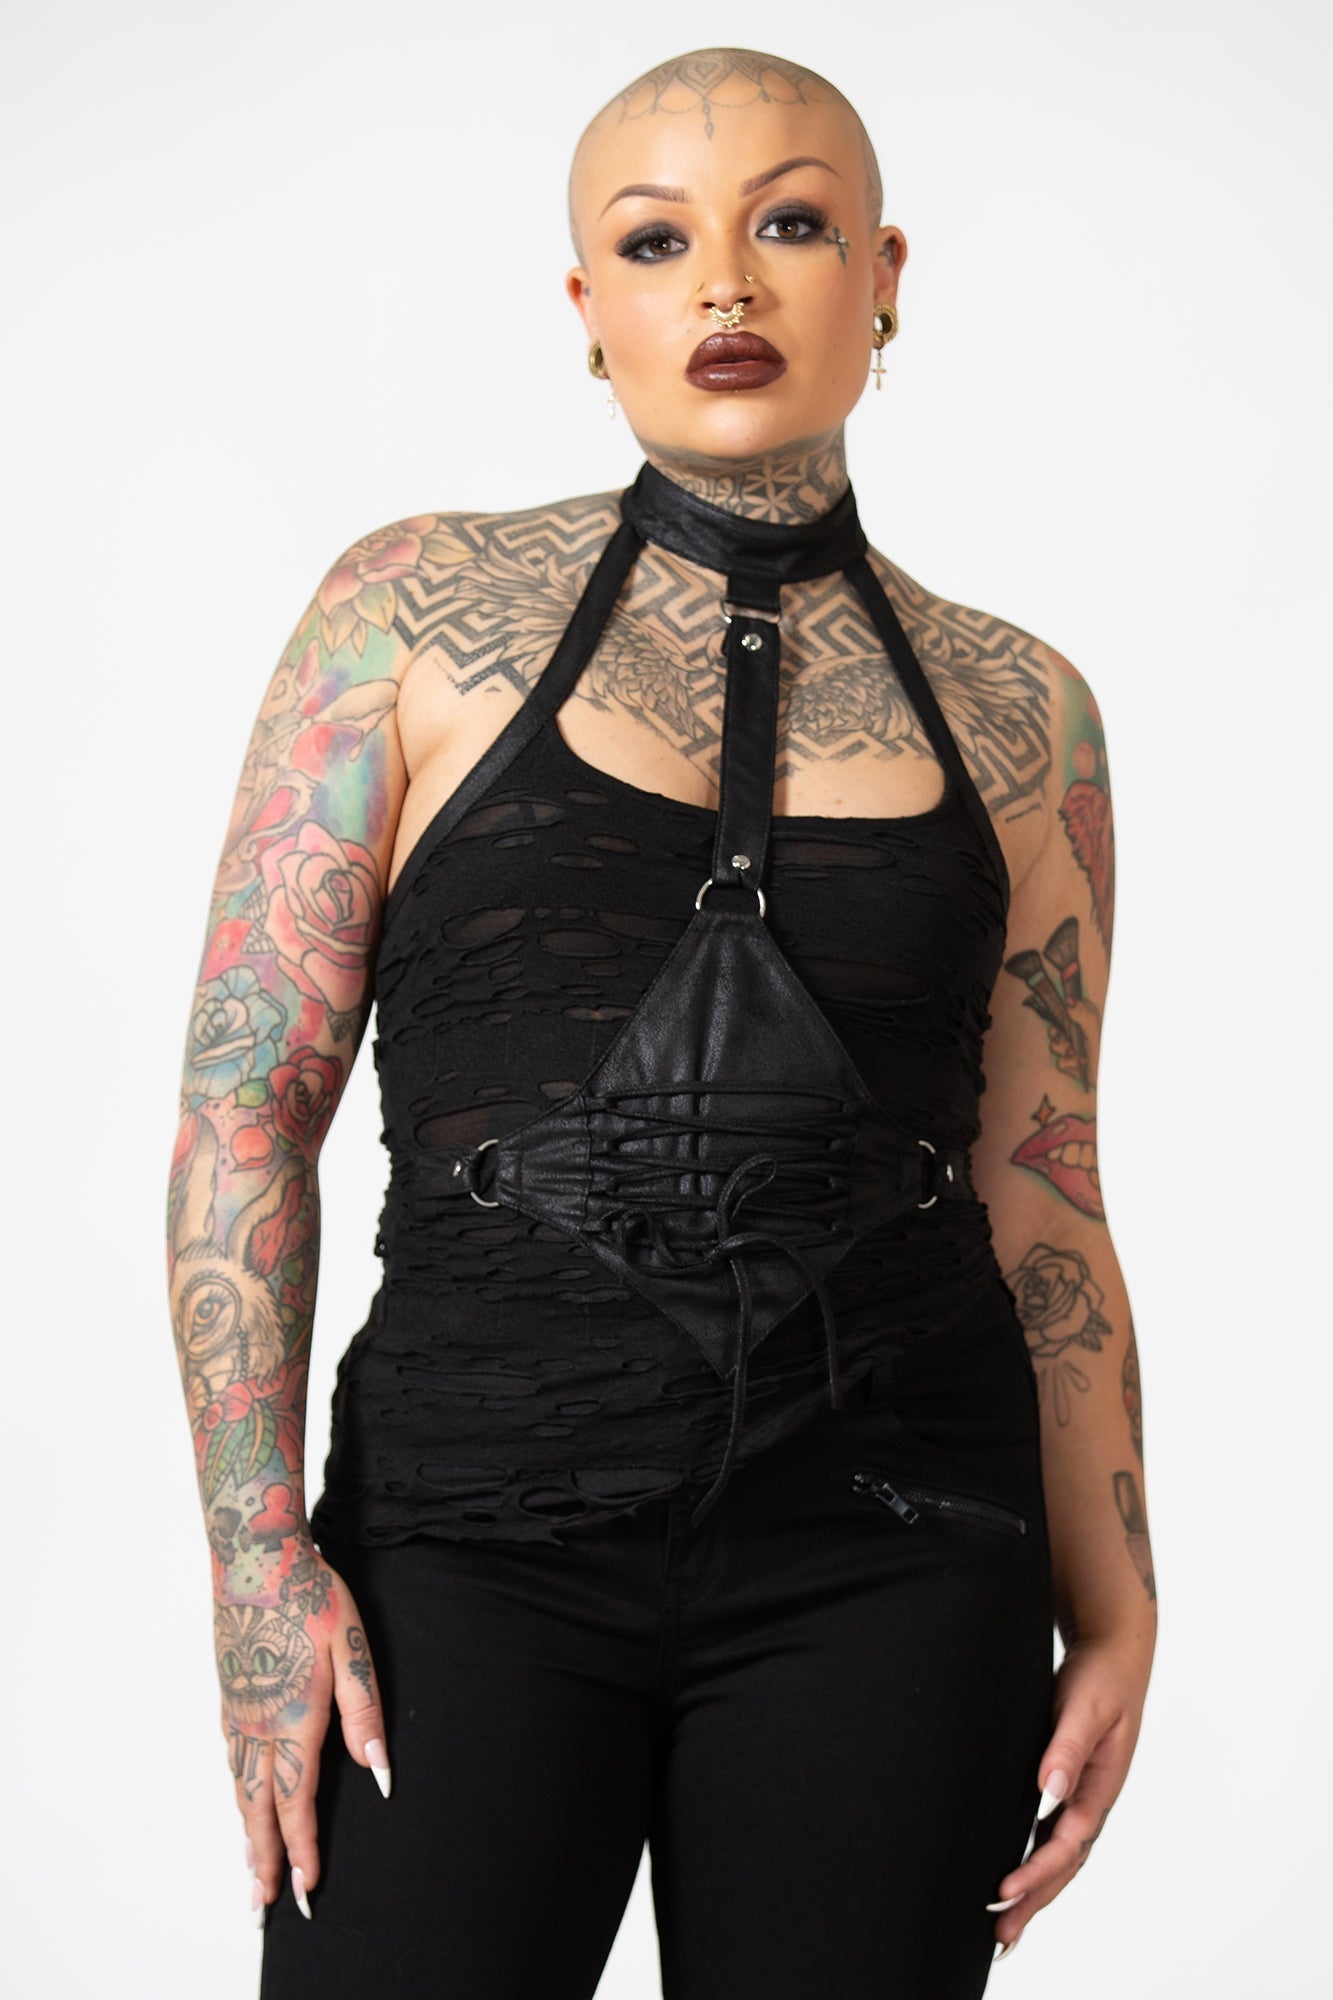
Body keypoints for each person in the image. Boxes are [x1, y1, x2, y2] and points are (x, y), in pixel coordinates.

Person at [165, 44, 1157, 2000]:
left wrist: (1118, 1603)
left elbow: (1042, 1187)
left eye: (788, 222)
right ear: (584, 303)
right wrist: (258, 1562)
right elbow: (246, 1105)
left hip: (892, 1557)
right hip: (462, 1540)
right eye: (652, 240)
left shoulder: (1022, 712)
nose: (722, 282)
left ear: (881, 274)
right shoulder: (407, 613)